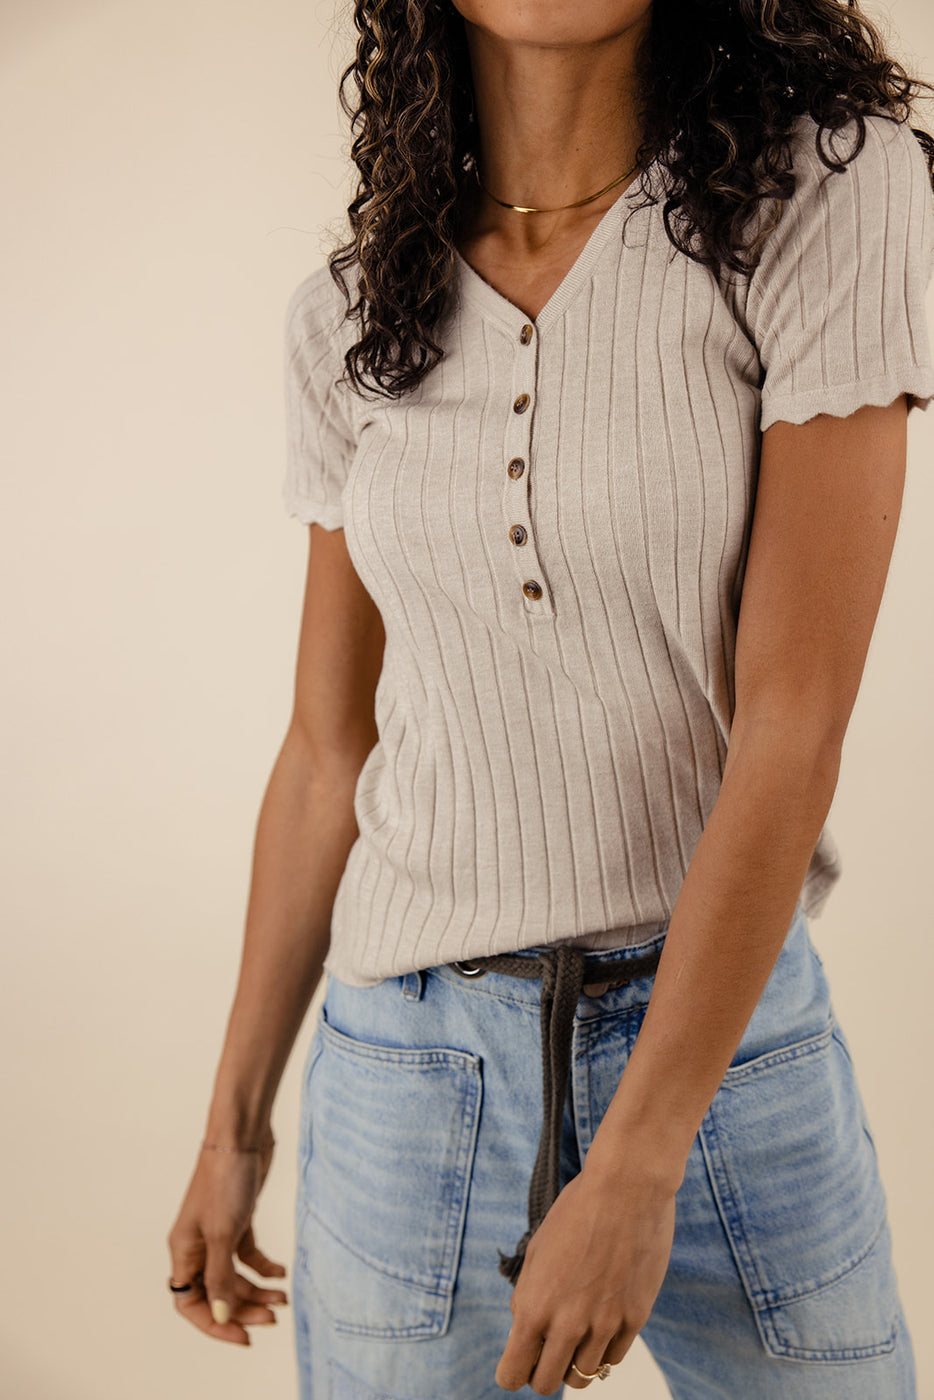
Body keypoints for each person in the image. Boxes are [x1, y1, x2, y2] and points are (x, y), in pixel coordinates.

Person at [167, 1, 934, 1395]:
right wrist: (234, 1132)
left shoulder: (821, 192)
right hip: (405, 1076)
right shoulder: (351, 310)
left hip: (728, 1066)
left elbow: (793, 723)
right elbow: (328, 752)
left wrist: (638, 1162)